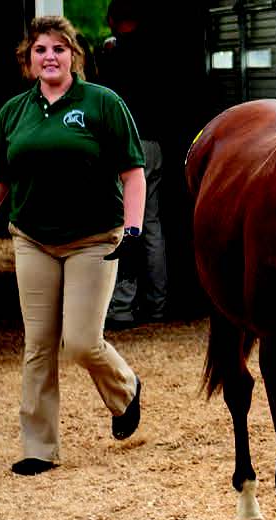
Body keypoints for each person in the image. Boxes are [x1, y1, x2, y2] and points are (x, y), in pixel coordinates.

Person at [0, 16, 145, 476]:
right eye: (40, 50)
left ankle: (126, 390)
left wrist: (133, 232)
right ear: (28, 59)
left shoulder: (102, 104)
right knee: (37, 345)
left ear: (73, 55)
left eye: (58, 48)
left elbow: (132, 174)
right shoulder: (14, 112)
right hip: (33, 239)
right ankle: (39, 447)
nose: (49, 56)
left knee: (79, 342)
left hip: (94, 240)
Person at [96, 0, 168, 329]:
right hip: (152, 144)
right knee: (151, 225)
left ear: (112, 20)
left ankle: (121, 305)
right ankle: (156, 305)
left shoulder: (111, 56)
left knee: (120, 224)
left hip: (123, 145)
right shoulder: (157, 53)